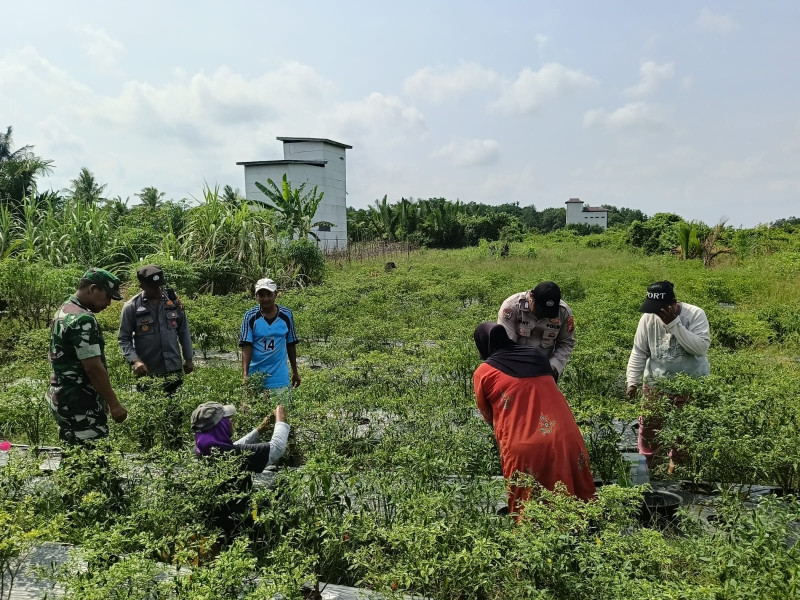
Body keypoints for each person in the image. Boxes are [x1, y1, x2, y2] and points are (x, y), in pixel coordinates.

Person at [472, 322, 595, 517]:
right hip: (567, 437)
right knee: (577, 504)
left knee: (529, 511)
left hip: (524, 446)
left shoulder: (484, 373)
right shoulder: (536, 355)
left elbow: (488, 416)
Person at [626, 281, 710, 472]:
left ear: (673, 304)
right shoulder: (648, 319)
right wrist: (633, 381)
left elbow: (700, 348)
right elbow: (639, 351)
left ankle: (679, 468)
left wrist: (674, 324)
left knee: (685, 430)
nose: (656, 313)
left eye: (661, 309)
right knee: (649, 427)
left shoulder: (695, 315)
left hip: (691, 383)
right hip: (657, 383)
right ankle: (648, 468)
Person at [47, 268, 128, 444]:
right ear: (92, 289)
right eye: (107, 297)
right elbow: (93, 368)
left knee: (74, 456)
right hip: (80, 403)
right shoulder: (83, 319)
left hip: (63, 397)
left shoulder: (64, 310)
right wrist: (114, 403)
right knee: (93, 462)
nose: (108, 304)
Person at [191, 401, 290, 538]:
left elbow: (234, 448)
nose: (231, 422)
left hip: (210, 527)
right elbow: (277, 448)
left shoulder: (200, 451)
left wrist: (259, 430)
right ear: (221, 427)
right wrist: (280, 420)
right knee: (281, 484)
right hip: (237, 529)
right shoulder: (232, 456)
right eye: (227, 420)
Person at [118, 264, 194, 395]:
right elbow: (124, 338)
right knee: (151, 411)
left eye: (161, 286)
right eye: (153, 287)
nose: (159, 290)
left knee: (176, 410)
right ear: (141, 286)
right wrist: (135, 360)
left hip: (173, 368)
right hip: (147, 371)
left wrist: (188, 358)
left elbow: (183, 330)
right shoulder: (131, 306)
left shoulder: (173, 301)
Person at [498, 281, 575, 381]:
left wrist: (553, 367)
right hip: (514, 368)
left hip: (545, 370)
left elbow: (566, 343)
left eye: (548, 313)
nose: (542, 316)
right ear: (531, 297)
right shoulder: (511, 307)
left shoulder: (563, 312)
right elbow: (506, 345)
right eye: (540, 310)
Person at [239, 278, 300, 405]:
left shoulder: (286, 315)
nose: (265, 299)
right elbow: (246, 346)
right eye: (261, 295)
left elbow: (291, 343)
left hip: (280, 377)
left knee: (282, 417)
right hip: (256, 376)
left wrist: (295, 371)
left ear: (276, 294)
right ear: (256, 296)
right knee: (254, 417)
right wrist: (245, 376)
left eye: (269, 294)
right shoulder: (250, 317)